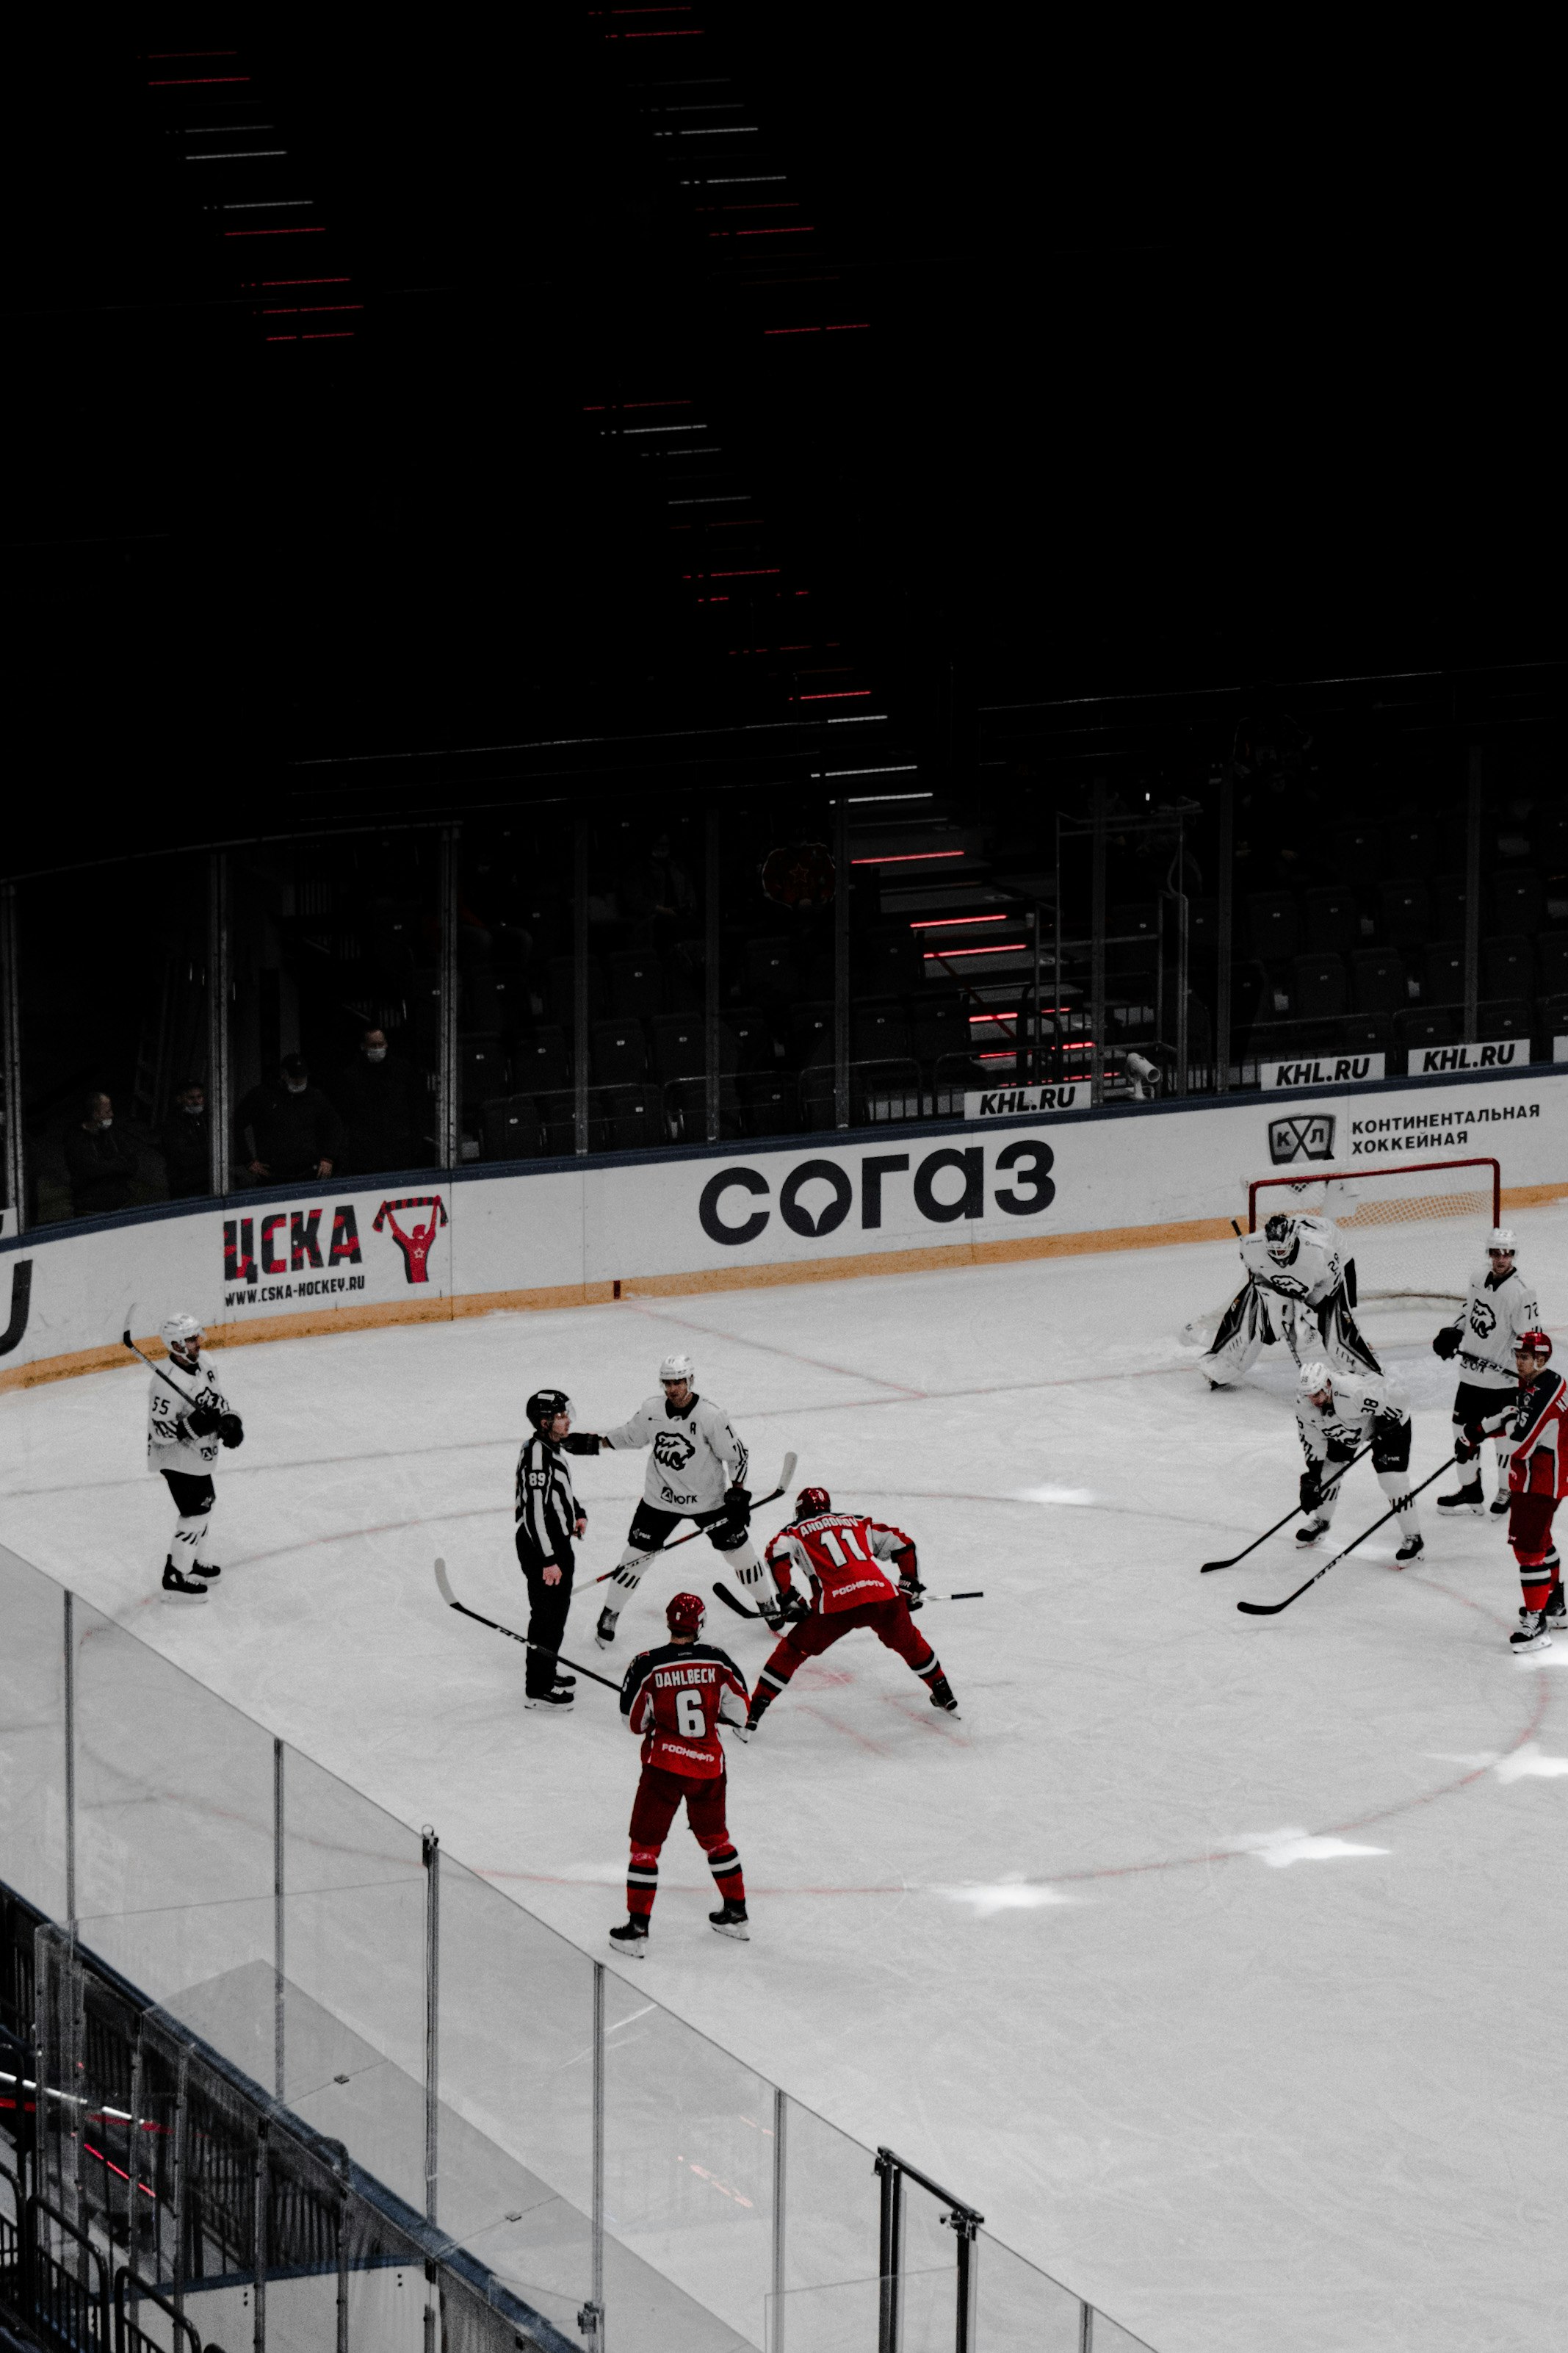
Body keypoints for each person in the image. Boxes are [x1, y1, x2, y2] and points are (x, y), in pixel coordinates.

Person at [564, 1355, 770, 1646]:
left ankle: (767, 1604)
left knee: (741, 1555)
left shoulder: (711, 1416)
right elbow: (630, 1436)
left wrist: (737, 1492)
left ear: (691, 1381)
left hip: (708, 1502)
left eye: (679, 1382)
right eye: (668, 1382)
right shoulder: (652, 1410)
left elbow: (737, 1455)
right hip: (660, 1501)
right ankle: (610, 1614)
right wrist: (595, 1443)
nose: (673, 1388)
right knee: (633, 1560)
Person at [739, 1488, 959, 1736]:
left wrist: (789, 1597)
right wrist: (909, 1586)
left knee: (791, 1652)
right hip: (882, 1597)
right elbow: (903, 1543)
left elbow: (776, 1553)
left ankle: (754, 1712)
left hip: (835, 1607)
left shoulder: (794, 1531)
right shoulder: (856, 1522)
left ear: (800, 1510)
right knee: (910, 1643)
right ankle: (943, 1691)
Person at [610, 1590, 751, 1956]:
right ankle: (736, 1914)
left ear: (669, 1622)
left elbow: (634, 1723)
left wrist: (658, 1712)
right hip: (708, 1769)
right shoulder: (718, 1660)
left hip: (664, 1769)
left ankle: (638, 1929)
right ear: (699, 1624)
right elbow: (740, 1712)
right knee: (717, 1840)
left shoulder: (647, 1664)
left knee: (645, 1849)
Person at [1456, 1331, 1565, 1652]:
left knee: (1528, 1549)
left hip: (1539, 1481)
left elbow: (1519, 1443)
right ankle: (1554, 1604)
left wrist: (1482, 1433)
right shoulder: (1541, 1382)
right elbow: (1514, 1417)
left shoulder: (1543, 1392)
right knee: (1541, 1540)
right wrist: (1474, 1434)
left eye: (1525, 1357)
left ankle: (1537, 1621)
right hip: (1546, 1477)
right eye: (1518, 1355)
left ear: (1541, 1360)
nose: (1518, 1361)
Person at [1201, 1211, 1380, 1388]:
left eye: (1282, 1250)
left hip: (1337, 1265)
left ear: (1293, 1240)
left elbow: (1331, 1287)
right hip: (1307, 1265)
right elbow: (1259, 1277)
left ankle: (1363, 1371)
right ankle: (1223, 1366)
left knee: (1339, 1318)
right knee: (1252, 1304)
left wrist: (1306, 1307)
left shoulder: (1320, 1251)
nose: (1279, 1256)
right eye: (1274, 1251)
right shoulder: (1251, 1246)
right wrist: (1277, 1302)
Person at [1434, 1229, 1541, 1518]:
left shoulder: (1521, 1293)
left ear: (1514, 1255)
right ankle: (1470, 1489)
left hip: (1503, 1383)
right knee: (1462, 1436)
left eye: (1507, 1253)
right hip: (1470, 1377)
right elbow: (1469, 1310)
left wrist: (1528, 1377)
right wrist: (1455, 1330)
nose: (1501, 1259)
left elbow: (1532, 1339)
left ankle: (1507, 1489)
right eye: (1496, 1253)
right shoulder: (1477, 1278)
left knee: (1505, 1439)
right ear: (1489, 1254)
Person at [147, 1313, 243, 1597]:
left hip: (199, 1455)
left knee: (205, 1506)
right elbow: (160, 1433)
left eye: (197, 1336)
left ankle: (193, 1562)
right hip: (175, 1458)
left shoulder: (206, 1362)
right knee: (196, 1513)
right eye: (191, 1339)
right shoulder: (164, 1383)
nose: (197, 1342)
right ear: (176, 1345)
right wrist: (191, 1426)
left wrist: (231, 1420)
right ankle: (175, 1576)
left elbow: (218, 1398)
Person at [1293, 1361, 1423, 1565]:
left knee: (1392, 1481)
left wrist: (1386, 1424)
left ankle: (1414, 1538)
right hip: (1348, 1429)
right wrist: (1312, 1476)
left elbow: (1401, 1399)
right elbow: (1312, 1440)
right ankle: (1322, 1521)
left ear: (1328, 1384)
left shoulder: (1353, 1392)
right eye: (1308, 1395)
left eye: (1317, 1393)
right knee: (1327, 1475)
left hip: (1389, 1425)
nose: (1313, 1399)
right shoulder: (1305, 1405)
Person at [514, 1388, 585, 1709]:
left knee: (556, 1616)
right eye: (560, 1416)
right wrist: (548, 1559)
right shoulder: (537, 1456)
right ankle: (538, 1689)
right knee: (546, 1618)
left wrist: (578, 1512)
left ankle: (547, 1668)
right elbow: (533, 1513)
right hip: (543, 1549)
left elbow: (560, 1491)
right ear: (544, 1422)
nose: (567, 1420)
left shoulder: (549, 1447)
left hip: (556, 1544)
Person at [236, 1054, 344, 1183]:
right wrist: (248, 1160)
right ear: (284, 1075)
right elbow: (237, 1123)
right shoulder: (262, 1096)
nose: (299, 1082)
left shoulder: (315, 1097)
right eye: (295, 1078)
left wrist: (328, 1157)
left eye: (302, 1078)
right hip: (273, 1174)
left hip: (309, 1172)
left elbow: (335, 1125)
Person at [334, 1026, 427, 1175]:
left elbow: (415, 1108)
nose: (378, 1049)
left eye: (381, 1044)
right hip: (365, 1155)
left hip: (399, 1151)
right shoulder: (351, 1077)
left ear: (386, 1044)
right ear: (363, 1047)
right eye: (373, 1045)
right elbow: (345, 1116)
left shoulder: (402, 1070)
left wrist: (415, 1144)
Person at [64, 1092, 138, 1218]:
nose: (112, 1115)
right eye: (107, 1112)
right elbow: (90, 1171)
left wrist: (108, 1167)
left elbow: (133, 1164)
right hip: (92, 1210)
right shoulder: (76, 1140)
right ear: (95, 1114)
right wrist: (117, 1164)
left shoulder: (114, 1133)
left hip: (122, 1203)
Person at [158, 1080, 210, 1200]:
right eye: (191, 1098)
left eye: (199, 1097)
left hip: (208, 1182)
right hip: (186, 1186)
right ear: (180, 1099)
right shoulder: (172, 1124)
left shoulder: (208, 1119)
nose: (196, 1102)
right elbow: (183, 1156)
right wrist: (211, 1149)